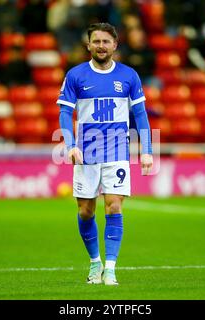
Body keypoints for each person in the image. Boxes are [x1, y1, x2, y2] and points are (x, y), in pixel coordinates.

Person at [57, 23, 153, 286]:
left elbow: (141, 115)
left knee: (114, 205)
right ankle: (95, 262)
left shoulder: (129, 76)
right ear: (88, 45)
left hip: (117, 151)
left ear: (115, 45)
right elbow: (65, 112)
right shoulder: (76, 75)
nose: (101, 46)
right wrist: (70, 144)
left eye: (106, 41)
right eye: (96, 41)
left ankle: (110, 268)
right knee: (86, 211)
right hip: (86, 153)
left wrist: (147, 150)